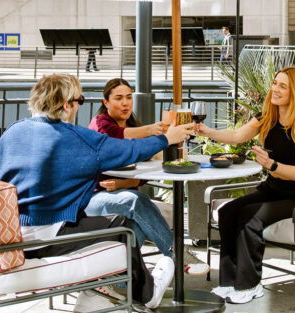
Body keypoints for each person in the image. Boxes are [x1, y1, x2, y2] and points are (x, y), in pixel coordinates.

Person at [0, 72, 193, 313]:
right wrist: (166, 139)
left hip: (12, 235)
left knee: (116, 219)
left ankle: (98, 294)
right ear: (66, 105)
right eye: (80, 100)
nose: (79, 106)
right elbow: (129, 150)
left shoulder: (12, 132)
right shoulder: (75, 138)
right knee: (123, 228)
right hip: (49, 237)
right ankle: (148, 294)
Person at [196, 66, 295, 304]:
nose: (275, 89)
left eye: (282, 86)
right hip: (271, 189)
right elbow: (236, 137)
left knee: (250, 218)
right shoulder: (267, 118)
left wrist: (271, 164)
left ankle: (250, 285)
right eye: (275, 83)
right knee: (228, 212)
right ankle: (229, 282)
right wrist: (205, 131)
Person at [88, 78, 209, 276]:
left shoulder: (135, 127)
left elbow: (146, 171)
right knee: (137, 201)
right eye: (118, 98)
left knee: (136, 222)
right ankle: (179, 254)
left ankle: (118, 279)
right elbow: (115, 135)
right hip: (93, 198)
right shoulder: (99, 124)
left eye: (129, 97)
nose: (125, 103)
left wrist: (125, 183)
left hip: (123, 197)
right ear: (105, 102)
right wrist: (152, 130)